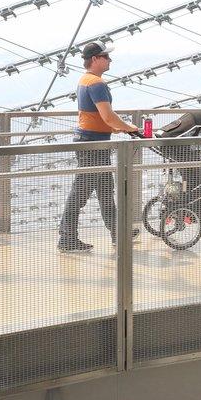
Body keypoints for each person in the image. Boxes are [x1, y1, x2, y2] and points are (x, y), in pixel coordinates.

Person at [57, 41, 140, 254]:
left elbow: (103, 119)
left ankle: (117, 231)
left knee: (105, 190)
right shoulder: (96, 83)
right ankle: (67, 239)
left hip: (95, 141)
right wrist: (128, 127)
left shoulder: (86, 80)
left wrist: (118, 128)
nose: (110, 60)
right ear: (95, 59)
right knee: (80, 193)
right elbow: (108, 116)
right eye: (106, 56)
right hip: (92, 144)